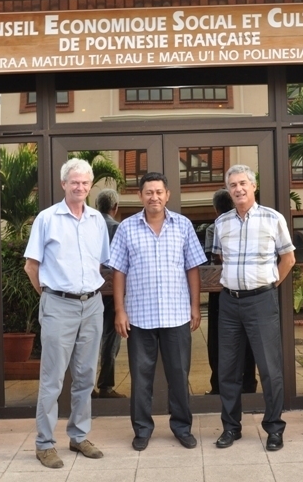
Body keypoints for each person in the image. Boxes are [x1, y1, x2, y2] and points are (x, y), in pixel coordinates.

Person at [108, 172, 206, 452]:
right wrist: (119, 310)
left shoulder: (184, 226)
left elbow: (193, 268)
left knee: (179, 375)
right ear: (140, 196)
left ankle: (182, 428)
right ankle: (142, 429)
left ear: (167, 195)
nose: (154, 197)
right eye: (149, 192)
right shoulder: (126, 228)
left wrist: (195, 306)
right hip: (139, 317)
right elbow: (118, 271)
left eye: (159, 192)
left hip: (177, 315)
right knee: (141, 378)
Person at [24, 158, 109, 469]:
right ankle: (44, 443)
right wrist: (51, 296)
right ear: (63, 184)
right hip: (59, 304)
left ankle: (79, 436)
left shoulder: (97, 220)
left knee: (86, 376)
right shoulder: (47, 219)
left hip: (92, 305)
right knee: (53, 378)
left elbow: (99, 262)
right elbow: (31, 266)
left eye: (85, 182)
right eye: (74, 182)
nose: (80, 187)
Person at [213, 164, 295, 452]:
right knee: (228, 369)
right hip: (229, 302)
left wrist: (270, 286)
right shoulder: (221, 223)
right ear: (229, 189)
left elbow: (288, 259)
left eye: (243, 183)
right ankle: (231, 428)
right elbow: (222, 258)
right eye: (233, 185)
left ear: (253, 185)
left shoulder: (274, 219)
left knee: (269, 369)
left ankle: (274, 428)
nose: (238, 189)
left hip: (261, 300)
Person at [204, 189, 258, 396]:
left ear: (216, 209)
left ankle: (219, 385)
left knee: (218, 340)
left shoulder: (214, 227)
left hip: (220, 289)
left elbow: (214, 260)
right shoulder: (248, 226)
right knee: (247, 338)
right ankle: (248, 383)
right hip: (247, 288)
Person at [93, 188, 126, 399]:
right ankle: (105, 385)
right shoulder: (118, 228)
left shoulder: (89, 226)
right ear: (115, 208)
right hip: (112, 289)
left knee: (89, 338)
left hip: (90, 289)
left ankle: (85, 388)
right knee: (110, 338)